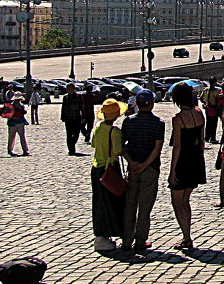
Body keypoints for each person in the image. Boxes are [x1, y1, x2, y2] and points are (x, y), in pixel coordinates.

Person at [121, 88, 164, 254]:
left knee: (130, 205)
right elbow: (157, 148)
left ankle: (126, 240)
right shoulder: (158, 123)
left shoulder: (128, 121)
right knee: (145, 207)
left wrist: (131, 162)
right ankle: (140, 241)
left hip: (133, 168)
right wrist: (145, 164)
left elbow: (122, 146)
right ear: (152, 104)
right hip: (150, 168)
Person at [168, 82, 206, 251]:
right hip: (196, 159)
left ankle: (187, 237)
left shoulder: (178, 119)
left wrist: (172, 170)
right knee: (185, 200)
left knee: (177, 202)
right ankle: (186, 234)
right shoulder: (199, 114)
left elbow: (177, 146)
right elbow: (202, 141)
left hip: (183, 161)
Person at [90, 98, 127, 252]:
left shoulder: (98, 128)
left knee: (99, 202)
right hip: (110, 169)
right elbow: (118, 151)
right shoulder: (115, 132)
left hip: (96, 167)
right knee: (112, 203)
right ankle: (106, 234)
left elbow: (93, 144)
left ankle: (101, 234)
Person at [61, 83, 87, 156]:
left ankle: (72, 144)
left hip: (76, 117)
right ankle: (71, 150)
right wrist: (63, 117)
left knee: (76, 133)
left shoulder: (79, 96)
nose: (68, 90)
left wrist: (83, 117)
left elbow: (82, 107)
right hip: (68, 118)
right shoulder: (65, 97)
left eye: (69, 89)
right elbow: (63, 107)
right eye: (67, 89)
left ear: (73, 89)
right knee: (69, 134)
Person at [202, 77, 223, 144]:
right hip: (214, 108)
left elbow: (201, 97)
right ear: (214, 82)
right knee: (214, 124)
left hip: (207, 108)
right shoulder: (216, 91)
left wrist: (205, 103)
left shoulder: (205, 90)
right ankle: (213, 138)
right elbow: (217, 99)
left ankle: (207, 137)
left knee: (208, 123)